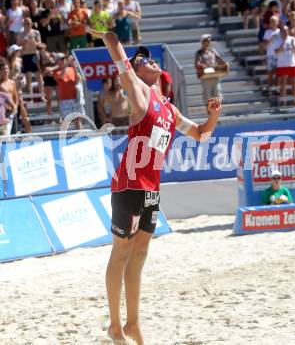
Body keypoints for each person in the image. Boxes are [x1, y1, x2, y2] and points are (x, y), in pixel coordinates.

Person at [88, 27, 222, 344]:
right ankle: (114, 325)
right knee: (121, 252)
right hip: (129, 184)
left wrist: (213, 116)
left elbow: (202, 134)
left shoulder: (169, 109)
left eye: (149, 58)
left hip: (151, 187)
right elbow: (118, 56)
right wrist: (110, 38)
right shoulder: (137, 91)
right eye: (143, 59)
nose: (149, 61)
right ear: (136, 71)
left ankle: (133, 324)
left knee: (140, 254)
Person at [194, 33, 227, 112]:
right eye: (206, 41)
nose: (207, 42)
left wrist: (223, 64)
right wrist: (203, 65)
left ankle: (216, 115)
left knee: (217, 95)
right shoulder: (199, 53)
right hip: (206, 77)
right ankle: (210, 116)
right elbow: (197, 64)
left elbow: (220, 61)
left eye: (208, 41)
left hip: (214, 75)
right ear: (202, 42)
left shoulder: (212, 51)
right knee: (208, 98)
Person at [53, 53, 85, 129]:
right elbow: (61, 76)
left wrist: (74, 67)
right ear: (57, 61)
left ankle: (80, 137)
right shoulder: (56, 71)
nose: (64, 60)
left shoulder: (71, 69)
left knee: (78, 120)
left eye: (64, 59)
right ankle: (63, 139)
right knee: (65, 121)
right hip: (64, 100)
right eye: (62, 59)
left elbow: (79, 79)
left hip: (75, 98)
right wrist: (67, 64)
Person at [274, 25, 295, 106]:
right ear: (280, 32)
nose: (285, 33)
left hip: (292, 64)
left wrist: (292, 45)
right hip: (282, 64)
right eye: (283, 31)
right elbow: (277, 51)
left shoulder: (293, 39)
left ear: (288, 31)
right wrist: (283, 42)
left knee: (294, 83)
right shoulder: (277, 40)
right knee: (283, 83)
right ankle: (283, 101)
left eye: (286, 31)